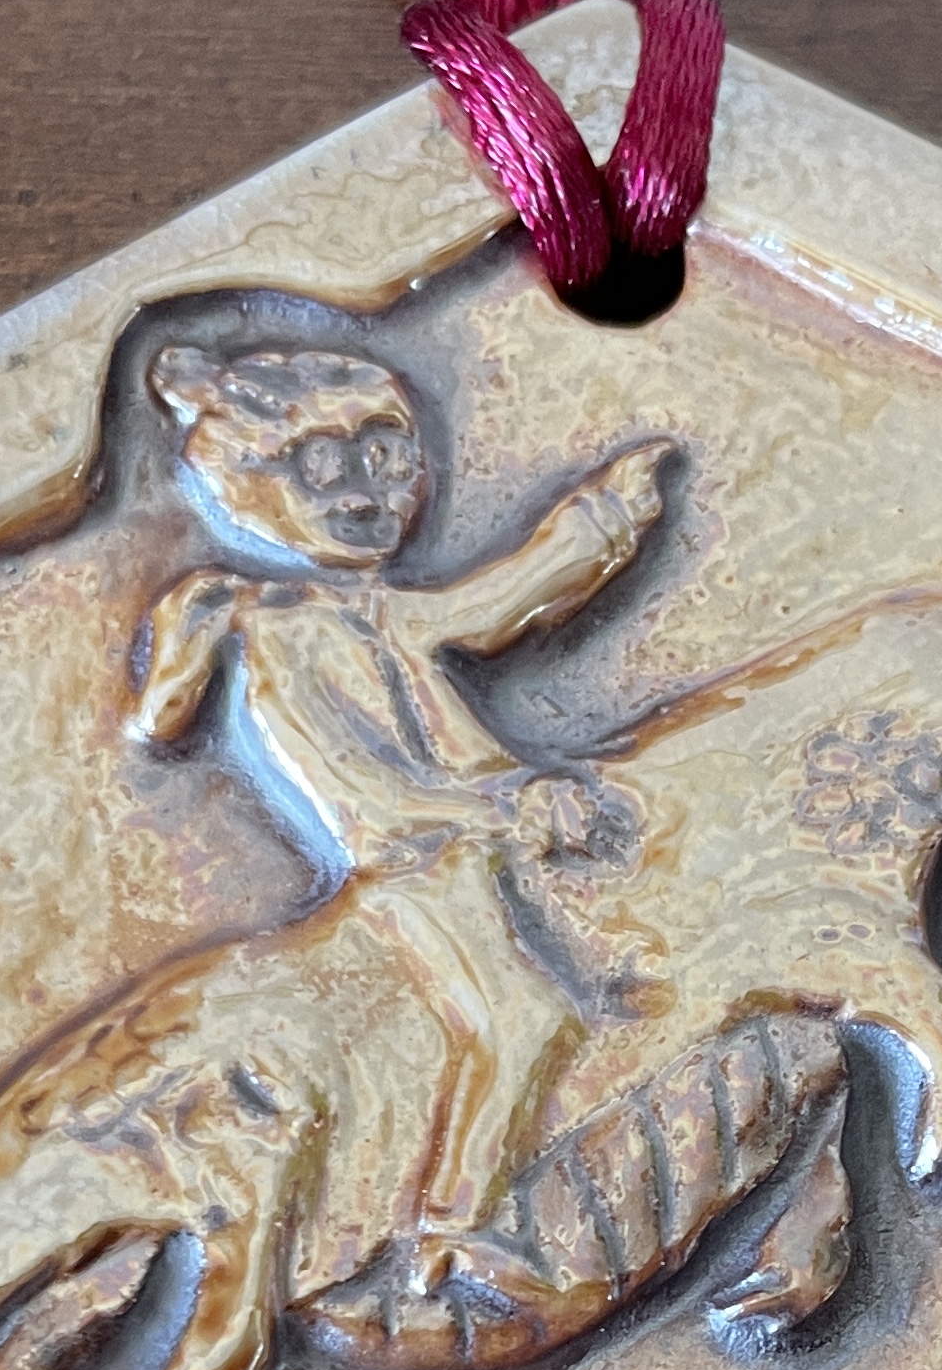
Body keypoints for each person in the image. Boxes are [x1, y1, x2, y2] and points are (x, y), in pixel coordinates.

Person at [129, 344, 676, 1250]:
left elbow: (505, 597)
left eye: (384, 459)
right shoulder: (267, 624)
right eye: (321, 468)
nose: (363, 497)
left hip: (485, 828)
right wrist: (499, 808)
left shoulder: (377, 609)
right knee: (524, 1017)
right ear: (247, 484)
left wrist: (609, 511)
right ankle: (448, 1234)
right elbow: (361, 792)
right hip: (418, 854)